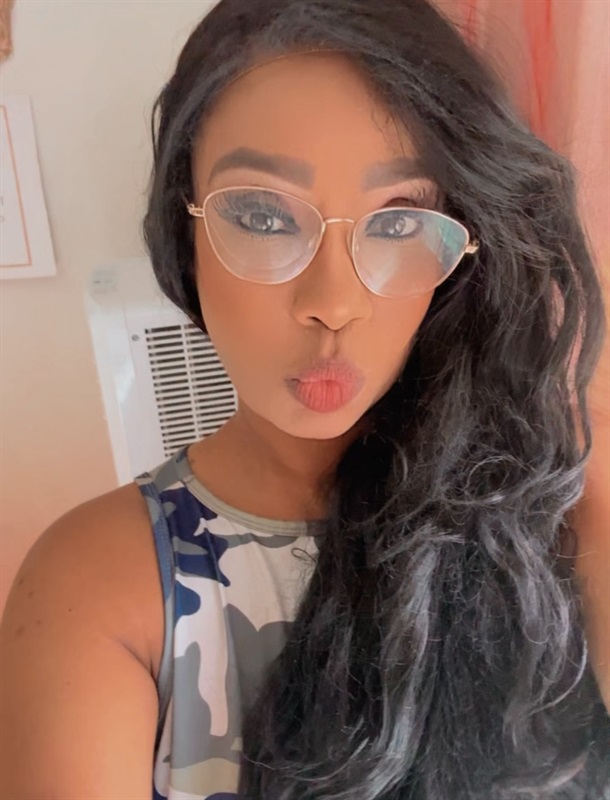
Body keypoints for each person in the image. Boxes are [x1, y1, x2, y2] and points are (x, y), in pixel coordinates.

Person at [1, 0, 609, 798]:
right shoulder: (98, 587)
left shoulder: (558, 516)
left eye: (399, 222)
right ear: (183, 229)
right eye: (263, 215)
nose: (334, 303)